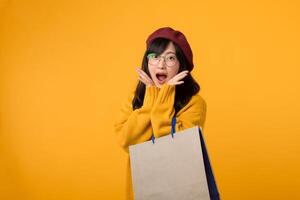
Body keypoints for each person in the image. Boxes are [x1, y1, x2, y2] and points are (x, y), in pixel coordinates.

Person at [114, 27, 207, 200]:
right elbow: (127, 142)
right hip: (140, 193)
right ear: (147, 61)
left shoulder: (194, 103)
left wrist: (164, 95)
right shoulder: (134, 100)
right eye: (155, 56)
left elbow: (177, 148)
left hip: (182, 192)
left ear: (181, 65)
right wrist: (151, 99)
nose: (161, 64)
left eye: (170, 58)